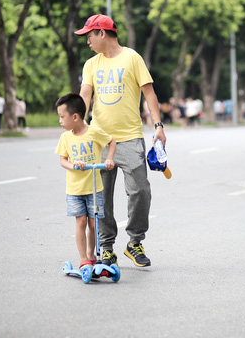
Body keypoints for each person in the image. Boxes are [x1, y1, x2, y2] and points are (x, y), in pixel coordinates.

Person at [75, 14, 166, 268]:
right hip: (99, 141)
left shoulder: (132, 58)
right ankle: (106, 248)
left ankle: (134, 242)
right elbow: (84, 96)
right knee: (101, 199)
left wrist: (158, 126)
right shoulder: (91, 64)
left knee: (140, 191)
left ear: (102, 33)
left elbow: (149, 93)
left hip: (130, 138)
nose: (87, 42)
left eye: (89, 36)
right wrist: (77, 128)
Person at [54, 93, 117, 271]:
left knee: (93, 223)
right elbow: (62, 160)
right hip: (74, 189)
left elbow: (111, 142)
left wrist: (109, 159)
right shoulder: (65, 137)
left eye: (61, 116)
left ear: (75, 117)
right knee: (80, 222)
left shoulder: (94, 132)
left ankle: (92, 256)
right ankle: (83, 258)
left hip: (94, 188)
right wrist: (74, 165)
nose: (60, 120)